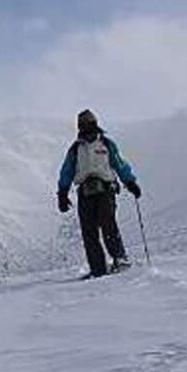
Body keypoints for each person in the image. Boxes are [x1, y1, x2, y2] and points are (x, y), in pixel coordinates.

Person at [57, 109, 142, 278]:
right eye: (83, 125)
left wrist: (130, 182)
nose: (86, 127)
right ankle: (97, 269)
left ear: (95, 124)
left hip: (105, 189)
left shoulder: (106, 144)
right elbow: (66, 171)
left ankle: (120, 259)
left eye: (90, 124)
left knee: (107, 223)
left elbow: (119, 164)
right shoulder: (75, 149)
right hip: (85, 192)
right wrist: (62, 193)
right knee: (89, 231)